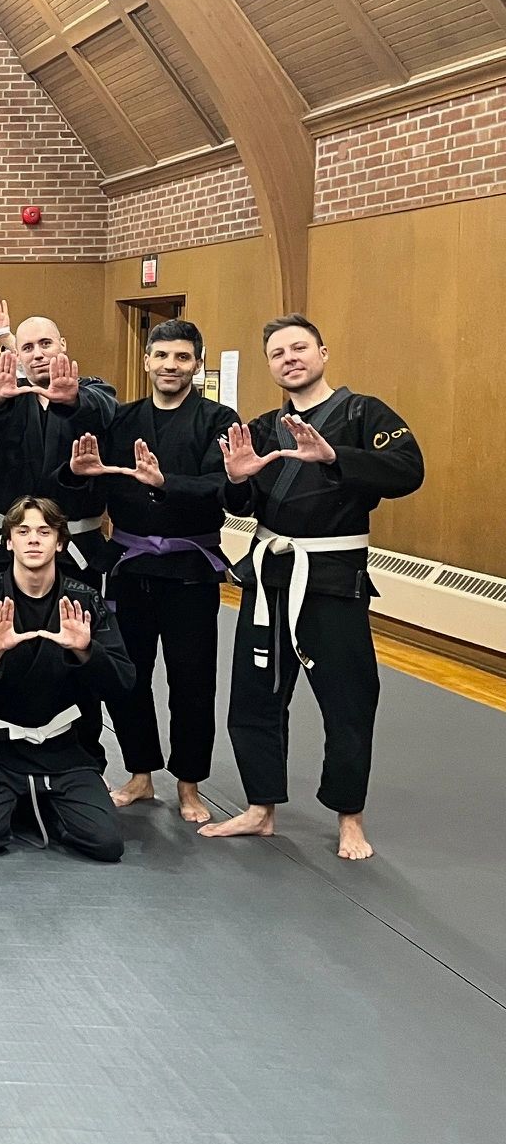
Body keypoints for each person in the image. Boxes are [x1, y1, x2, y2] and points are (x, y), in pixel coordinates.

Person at [201, 315, 424, 862]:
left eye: (299, 348)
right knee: (255, 696)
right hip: (269, 578)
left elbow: (407, 470)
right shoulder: (260, 426)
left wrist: (335, 458)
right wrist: (237, 480)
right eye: (278, 353)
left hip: (334, 581)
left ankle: (350, 818)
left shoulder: (362, 414)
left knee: (349, 700)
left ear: (322, 352)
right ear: (270, 366)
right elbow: (239, 505)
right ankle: (260, 808)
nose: (289, 358)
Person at [66, 320, 240, 823]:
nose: (170, 366)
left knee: (192, 681)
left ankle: (189, 784)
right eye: (162, 356)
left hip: (191, 570)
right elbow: (97, 484)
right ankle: (140, 774)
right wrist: (79, 478)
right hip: (130, 568)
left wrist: (166, 483)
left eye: (182, 357)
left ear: (197, 364)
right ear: (146, 361)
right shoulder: (123, 420)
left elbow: (222, 487)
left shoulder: (218, 420)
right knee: (129, 676)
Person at [0, 498, 133, 863]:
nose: (33, 539)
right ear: (8, 542)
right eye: (23, 531)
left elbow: (123, 682)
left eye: (44, 531)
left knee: (106, 844)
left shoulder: (84, 601)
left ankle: (49, 805)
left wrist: (86, 651)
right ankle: (21, 800)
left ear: (61, 542)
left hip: (63, 749)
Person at [0, 315, 117, 579]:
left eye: (45, 343)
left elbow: (105, 408)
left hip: (77, 548)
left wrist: (72, 399)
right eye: (28, 348)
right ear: (17, 355)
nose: (38, 354)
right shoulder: (7, 392)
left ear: (63, 344)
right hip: (9, 549)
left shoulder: (92, 390)